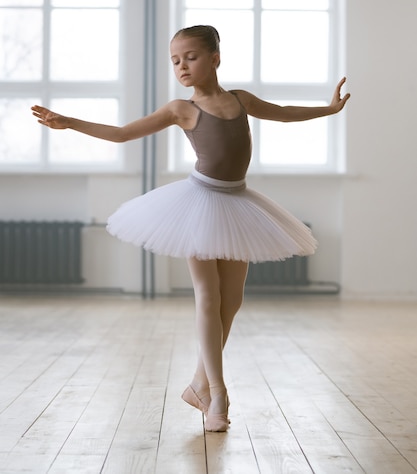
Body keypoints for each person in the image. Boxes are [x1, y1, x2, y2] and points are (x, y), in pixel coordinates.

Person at [32, 24, 350, 432]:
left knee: (231, 300)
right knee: (207, 295)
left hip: (238, 203)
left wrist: (329, 109)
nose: (182, 66)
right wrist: (69, 122)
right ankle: (218, 392)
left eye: (191, 57)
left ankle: (199, 383)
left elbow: (284, 114)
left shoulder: (240, 100)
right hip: (199, 204)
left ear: (216, 58)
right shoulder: (181, 109)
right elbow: (123, 134)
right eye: (175, 60)